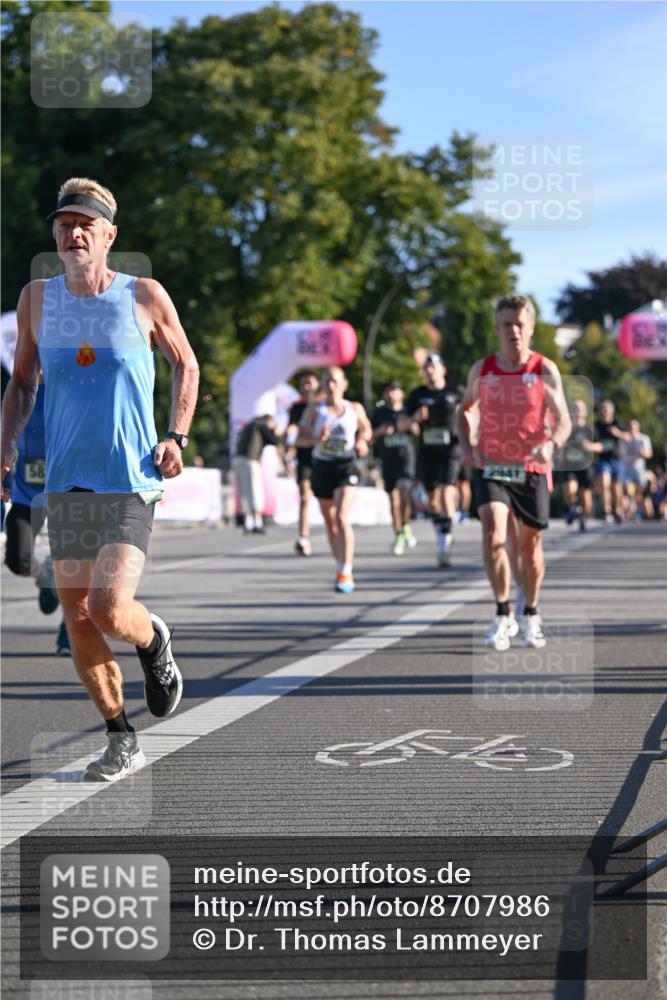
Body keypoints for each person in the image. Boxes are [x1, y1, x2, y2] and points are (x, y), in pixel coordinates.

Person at [1, 177, 199, 782]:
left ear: (110, 235)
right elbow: (23, 381)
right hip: (65, 482)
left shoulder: (144, 295)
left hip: (129, 476)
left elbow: (187, 365)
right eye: (64, 224)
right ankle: (120, 736)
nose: (73, 232)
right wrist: (5, 444)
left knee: (111, 608)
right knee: (78, 617)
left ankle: (152, 639)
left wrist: (176, 436)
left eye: (85, 224)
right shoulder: (37, 299)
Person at [457, 294, 571, 651]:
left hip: (532, 465)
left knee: (529, 549)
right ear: (497, 329)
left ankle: (531, 614)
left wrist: (551, 444)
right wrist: (466, 446)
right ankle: (503, 613)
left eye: (520, 324)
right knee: (494, 535)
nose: (514, 331)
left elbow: (564, 420)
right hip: (492, 464)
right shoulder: (483, 369)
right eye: (507, 325)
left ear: (532, 328)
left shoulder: (544, 369)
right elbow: (464, 410)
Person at [3, 380, 71, 654]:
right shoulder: (18, 389)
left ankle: (70, 633)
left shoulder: (71, 386)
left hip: (68, 491)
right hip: (26, 494)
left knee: (73, 567)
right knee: (17, 559)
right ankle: (46, 576)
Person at [298, 366, 372, 593]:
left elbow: (367, 430)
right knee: (330, 522)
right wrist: (314, 438)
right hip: (322, 466)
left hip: (346, 465)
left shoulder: (354, 408)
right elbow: (299, 439)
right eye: (327, 381)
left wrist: (362, 442)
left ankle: (346, 570)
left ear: (344, 384)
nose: (331, 385)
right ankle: (340, 563)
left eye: (335, 381)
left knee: (341, 516)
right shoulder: (314, 409)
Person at [401, 354, 462, 566]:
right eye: (426, 368)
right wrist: (413, 420)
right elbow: (402, 422)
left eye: (434, 367)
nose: (430, 371)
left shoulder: (455, 391)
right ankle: (444, 533)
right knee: (432, 501)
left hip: (451, 449)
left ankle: (444, 543)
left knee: (446, 493)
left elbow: (473, 411)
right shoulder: (417, 395)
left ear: (443, 369)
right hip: (427, 451)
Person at [371, 380, 417, 555]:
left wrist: (411, 425)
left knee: (405, 492)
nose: (391, 394)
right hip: (388, 460)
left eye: (395, 390)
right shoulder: (380, 411)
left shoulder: (407, 411)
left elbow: (418, 430)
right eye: (388, 390)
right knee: (393, 498)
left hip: (406, 458)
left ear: (401, 394)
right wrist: (381, 431)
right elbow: (370, 436)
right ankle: (398, 533)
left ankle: (406, 525)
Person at [286, 370, 319, 555]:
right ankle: (303, 537)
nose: (306, 386)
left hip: (325, 457)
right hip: (305, 456)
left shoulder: (323, 405)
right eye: (303, 383)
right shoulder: (296, 407)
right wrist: (289, 434)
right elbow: (291, 427)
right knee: (305, 496)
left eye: (310, 382)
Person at [233, 414, 279, 534]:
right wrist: (276, 431)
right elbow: (273, 441)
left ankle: (247, 523)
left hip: (238, 459)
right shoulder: (261, 425)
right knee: (255, 491)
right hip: (250, 460)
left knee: (244, 492)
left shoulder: (248, 425)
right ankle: (256, 522)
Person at [560, 398, 596, 531]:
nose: (577, 411)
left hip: (585, 465)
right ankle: (573, 509)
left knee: (585, 495)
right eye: (574, 408)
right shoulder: (567, 428)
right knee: (569, 490)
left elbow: (602, 445)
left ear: (585, 412)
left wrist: (590, 446)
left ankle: (584, 517)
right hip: (570, 465)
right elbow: (562, 444)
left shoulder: (590, 429)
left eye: (579, 408)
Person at [593, 399, 628, 522]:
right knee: (604, 482)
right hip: (604, 459)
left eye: (606, 408)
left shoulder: (617, 422)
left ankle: (618, 510)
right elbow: (596, 444)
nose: (604, 411)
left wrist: (617, 432)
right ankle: (607, 510)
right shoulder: (596, 426)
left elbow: (628, 437)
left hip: (617, 459)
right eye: (602, 408)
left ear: (612, 411)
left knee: (617, 487)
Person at [620, 419, 653, 519]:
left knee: (640, 491)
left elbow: (649, 453)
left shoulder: (643, 438)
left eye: (634, 427)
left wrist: (642, 452)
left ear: (638, 428)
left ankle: (637, 507)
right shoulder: (624, 439)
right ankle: (628, 510)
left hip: (639, 469)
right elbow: (620, 454)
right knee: (628, 490)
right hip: (627, 468)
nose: (632, 429)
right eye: (630, 427)